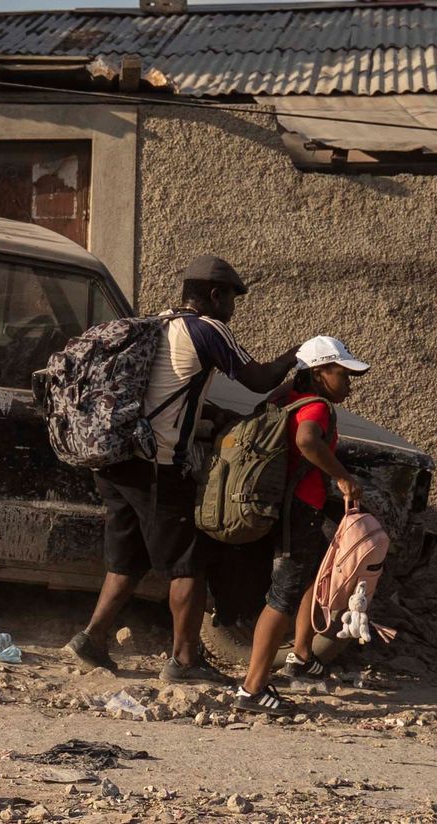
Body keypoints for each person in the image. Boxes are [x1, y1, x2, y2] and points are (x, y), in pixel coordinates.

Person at [64, 256, 298, 683]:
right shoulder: (208, 329)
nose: (233, 309)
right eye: (231, 299)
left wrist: (212, 412)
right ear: (215, 295)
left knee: (128, 559)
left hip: (115, 461)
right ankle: (185, 661)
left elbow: (162, 394)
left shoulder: (160, 324)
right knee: (189, 562)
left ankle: (92, 640)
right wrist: (300, 352)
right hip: (157, 466)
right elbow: (260, 380)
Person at [233, 336, 371, 716]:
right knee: (283, 596)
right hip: (300, 508)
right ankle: (252, 689)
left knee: (313, 577)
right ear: (319, 372)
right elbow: (307, 441)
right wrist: (342, 477)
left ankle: (301, 653)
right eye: (342, 373)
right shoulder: (317, 409)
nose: (348, 383)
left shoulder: (285, 396)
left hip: (287, 506)